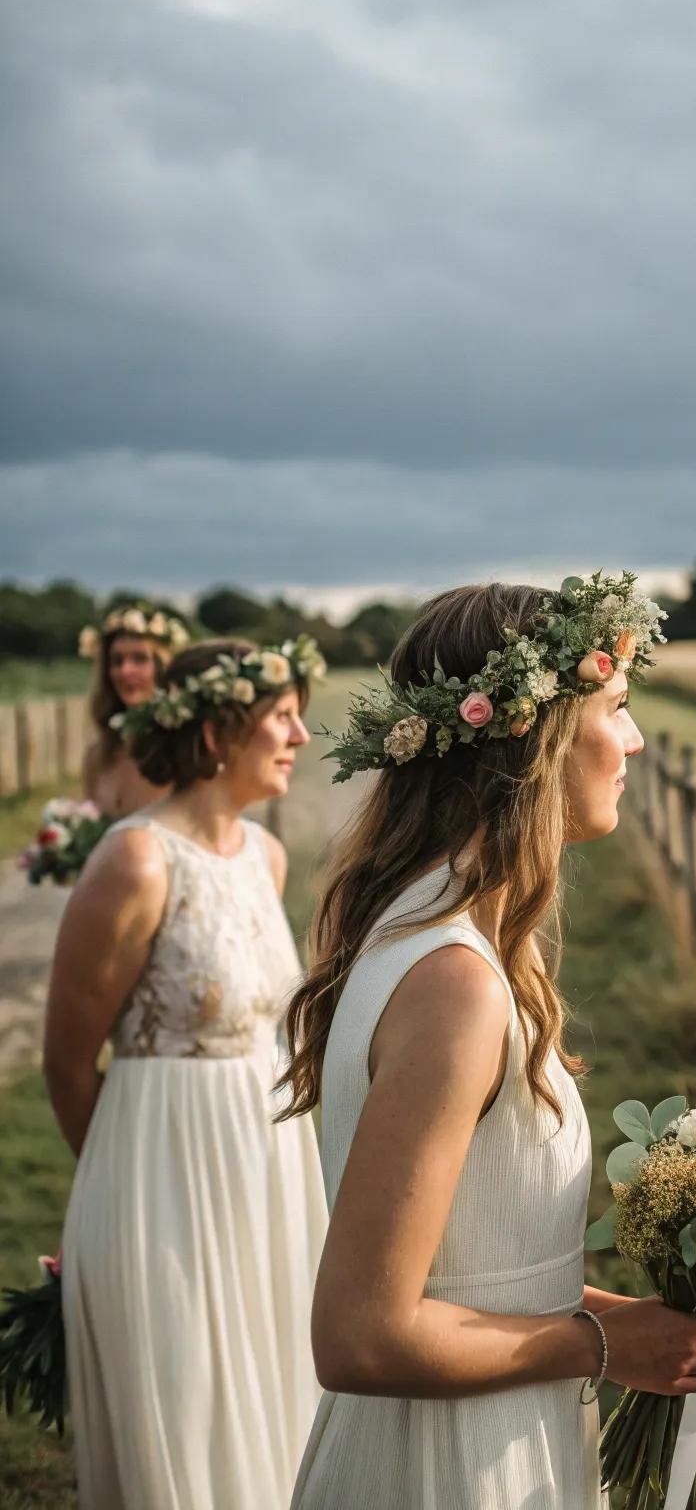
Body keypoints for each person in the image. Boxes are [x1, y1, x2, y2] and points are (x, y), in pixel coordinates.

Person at [280, 574, 696, 1510]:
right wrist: (600, 1347)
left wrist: (617, 1318)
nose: (634, 738)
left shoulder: (444, 938)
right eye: (620, 706)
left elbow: (463, 1269)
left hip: (495, 1417)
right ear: (539, 736)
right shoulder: (455, 985)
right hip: (446, 1462)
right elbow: (359, 1335)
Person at [45, 634, 330, 1510]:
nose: (301, 737)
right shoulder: (134, 860)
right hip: (159, 1193)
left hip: (269, 1185)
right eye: (281, 717)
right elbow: (65, 1060)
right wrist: (128, 1198)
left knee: (279, 1417)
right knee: (188, 1427)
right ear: (217, 731)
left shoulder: (265, 858)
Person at [78, 605, 190, 818]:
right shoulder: (99, 755)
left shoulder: (183, 750)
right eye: (116, 661)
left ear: (162, 666)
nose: (125, 670)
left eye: (139, 659)